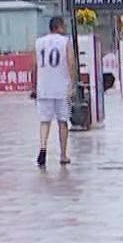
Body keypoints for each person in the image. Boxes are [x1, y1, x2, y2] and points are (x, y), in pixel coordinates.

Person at [33, 16, 76, 168]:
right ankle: (63, 154)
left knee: (44, 121)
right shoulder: (65, 42)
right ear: (60, 27)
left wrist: (34, 86)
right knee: (63, 121)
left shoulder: (39, 42)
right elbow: (71, 63)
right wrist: (72, 83)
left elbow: (35, 65)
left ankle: (43, 147)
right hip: (61, 87)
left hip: (44, 87)